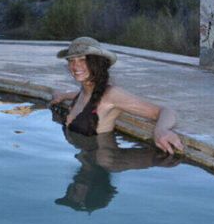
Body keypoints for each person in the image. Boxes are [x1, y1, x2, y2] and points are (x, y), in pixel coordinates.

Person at [49, 37, 184, 155]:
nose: (75, 66)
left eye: (82, 59)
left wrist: (161, 130)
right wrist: (62, 96)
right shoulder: (84, 92)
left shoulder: (112, 95)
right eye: (71, 60)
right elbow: (83, 97)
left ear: (96, 63)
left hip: (102, 166)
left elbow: (165, 111)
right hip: (86, 163)